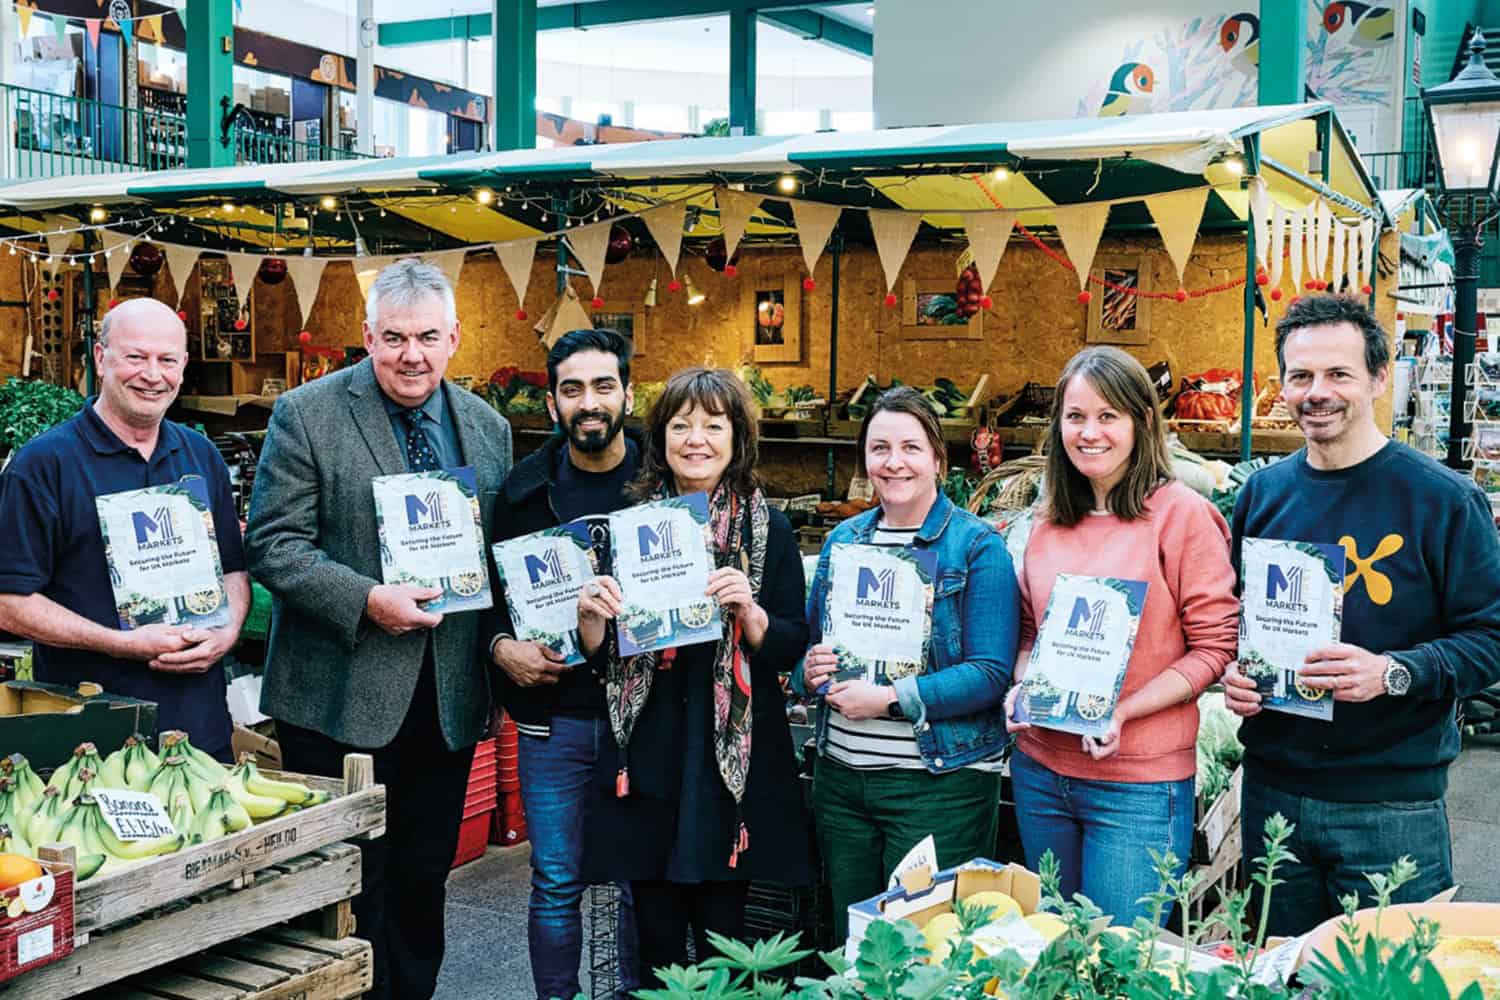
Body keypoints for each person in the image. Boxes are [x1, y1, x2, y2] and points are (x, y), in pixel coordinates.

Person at [244, 259, 512, 1000]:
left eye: (428, 337)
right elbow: (272, 544)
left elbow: (494, 562)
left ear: (455, 337)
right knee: (347, 879)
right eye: (394, 337)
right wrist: (367, 599)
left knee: (425, 878)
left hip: (446, 700)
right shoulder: (308, 413)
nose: (411, 355)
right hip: (338, 695)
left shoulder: (487, 429)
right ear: (366, 336)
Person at [1224, 294, 1500, 936]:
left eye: (1338, 374)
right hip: (1273, 796)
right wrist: (1237, 675)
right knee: (1278, 973)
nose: (1317, 393)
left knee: (1388, 978)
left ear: (1378, 379)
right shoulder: (1263, 495)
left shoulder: (1443, 500)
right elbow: (1243, 620)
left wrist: (1393, 672)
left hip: (1390, 805)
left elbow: (1490, 636)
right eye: (1301, 376)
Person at [575, 367, 814, 987]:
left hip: (729, 760)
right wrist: (591, 618)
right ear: (662, 437)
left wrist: (752, 614)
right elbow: (602, 657)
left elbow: (791, 641)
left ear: (738, 438)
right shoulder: (629, 525)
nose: (697, 438)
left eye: (714, 424)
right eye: (682, 425)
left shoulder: (769, 529)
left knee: (723, 927)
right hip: (650, 750)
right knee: (653, 929)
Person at [1001, 347, 1238, 926]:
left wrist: (1123, 713)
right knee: (1057, 952)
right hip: (1040, 771)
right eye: (1076, 416)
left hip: (1137, 787)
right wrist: (1021, 687)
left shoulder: (1182, 515)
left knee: (1119, 963)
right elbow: (1032, 634)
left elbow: (1214, 648)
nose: (1090, 432)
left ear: (1143, 422)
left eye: (1109, 416)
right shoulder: (1044, 520)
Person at [796, 386, 1019, 941]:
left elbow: (990, 673)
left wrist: (892, 697)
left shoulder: (976, 547)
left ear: (938, 459)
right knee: (855, 943)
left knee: (925, 948)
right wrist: (812, 671)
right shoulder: (845, 541)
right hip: (842, 781)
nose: (894, 462)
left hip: (936, 785)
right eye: (880, 448)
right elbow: (807, 652)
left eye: (911, 448)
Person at [0, 298, 248, 758]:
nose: (152, 375)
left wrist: (228, 632)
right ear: (100, 357)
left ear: (183, 366)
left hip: (200, 729)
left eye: (166, 360)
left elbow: (234, 570)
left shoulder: (201, 455)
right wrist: (121, 644)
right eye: (135, 357)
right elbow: (9, 602)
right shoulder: (43, 465)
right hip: (90, 739)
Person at [488, 328, 639, 1000]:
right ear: (552, 404)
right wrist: (499, 648)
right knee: (555, 879)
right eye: (572, 389)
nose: (589, 403)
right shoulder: (521, 492)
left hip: (648, 717)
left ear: (627, 394)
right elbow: (480, 604)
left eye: (603, 386)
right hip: (556, 720)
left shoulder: (662, 487)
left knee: (645, 877)